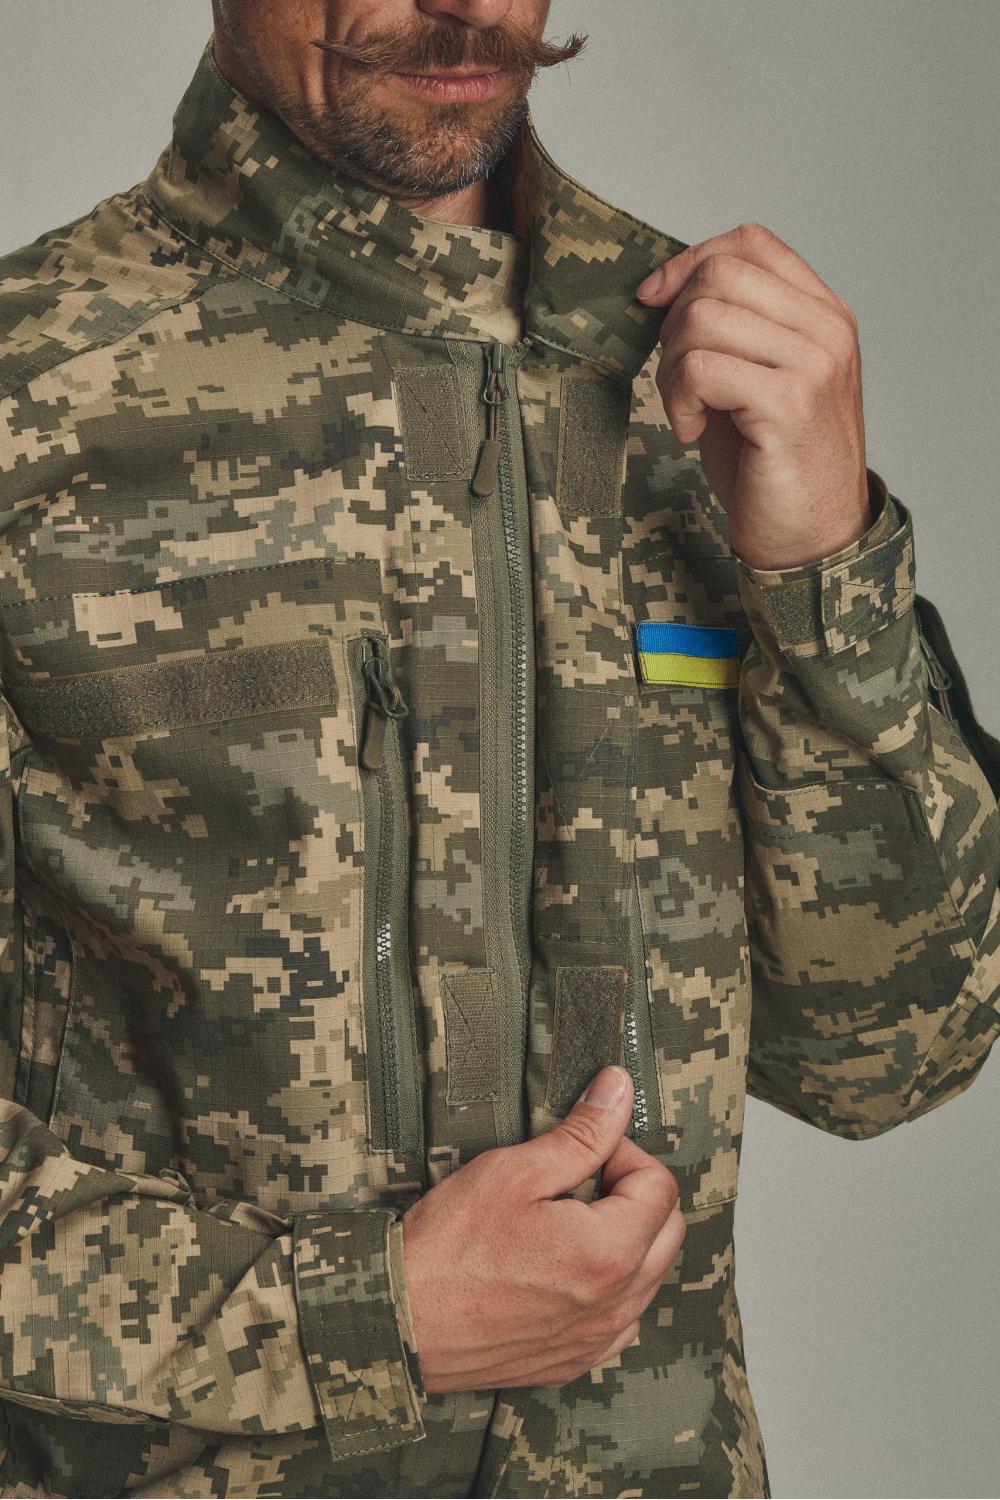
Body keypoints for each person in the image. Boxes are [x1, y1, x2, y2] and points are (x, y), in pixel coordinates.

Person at [0, 2, 997, 1496]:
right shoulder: (34, 393)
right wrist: (353, 1322)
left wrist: (828, 578)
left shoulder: (714, 374)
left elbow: (891, 1059)